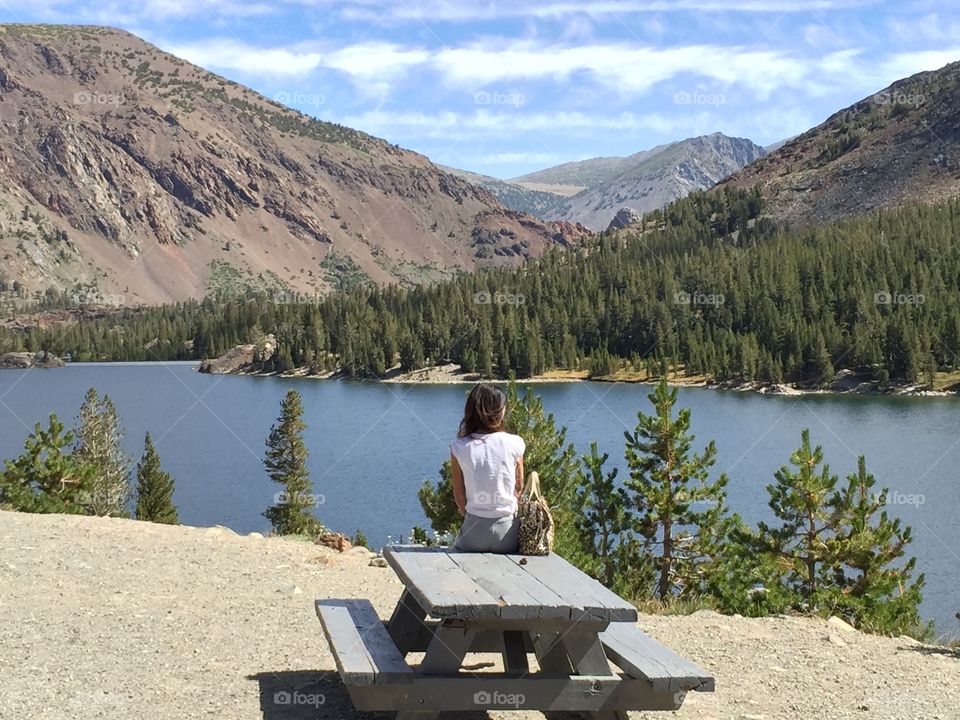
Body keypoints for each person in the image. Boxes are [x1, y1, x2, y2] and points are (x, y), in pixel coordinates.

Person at [450, 383, 525, 552]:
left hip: (473, 532)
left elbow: (459, 495)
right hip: (507, 533)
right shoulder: (516, 443)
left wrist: (472, 515)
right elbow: (519, 488)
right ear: (500, 411)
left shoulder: (459, 446)